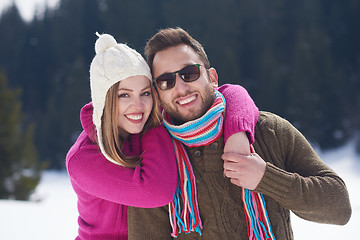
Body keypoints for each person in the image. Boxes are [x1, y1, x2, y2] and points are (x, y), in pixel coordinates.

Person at [127, 27, 352, 240]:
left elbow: (339, 208)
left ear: (212, 77)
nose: (181, 87)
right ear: (157, 93)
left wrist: (266, 178)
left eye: (189, 73)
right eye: (166, 81)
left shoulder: (269, 131)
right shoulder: (153, 162)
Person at [66, 33, 259, 239]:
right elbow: (156, 191)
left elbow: (231, 93)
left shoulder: (140, 124)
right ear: (104, 99)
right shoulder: (83, 159)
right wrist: (156, 121)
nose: (138, 106)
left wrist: (238, 134)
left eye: (146, 93)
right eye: (124, 95)